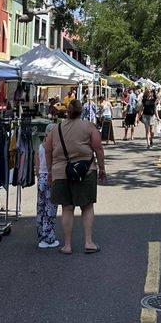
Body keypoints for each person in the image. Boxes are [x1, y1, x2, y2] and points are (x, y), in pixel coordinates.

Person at [43, 98, 106, 254]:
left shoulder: (55, 129)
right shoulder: (89, 127)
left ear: (67, 112)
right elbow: (98, 148)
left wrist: (50, 171)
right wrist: (102, 168)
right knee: (87, 206)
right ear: (81, 112)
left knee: (67, 207)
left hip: (60, 172)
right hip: (86, 171)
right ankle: (89, 242)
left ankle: (67, 245)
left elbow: (47, 150)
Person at [36, 123, 60, 249]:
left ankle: (41, 234)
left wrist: (39, 176)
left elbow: (37, 164)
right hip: (49, 177)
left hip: (41, 177)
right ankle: (48, 237)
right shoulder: (53, 148)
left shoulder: (40, 146)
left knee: (41, 206)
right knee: (50, 208)